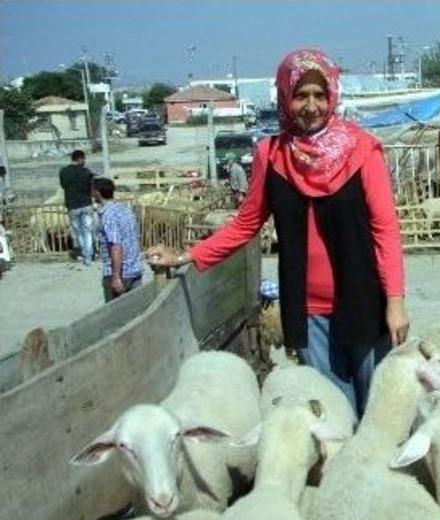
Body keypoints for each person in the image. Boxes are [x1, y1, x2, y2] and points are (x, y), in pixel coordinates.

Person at [146, 48, 409, 418]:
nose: (311, 106)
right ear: (285, 96)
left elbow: (386, 230)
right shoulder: (271, 155)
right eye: (301, 95)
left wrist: (395, 302)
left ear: (332, 95)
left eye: (320, 95)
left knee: (378, 413)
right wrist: (187, 255)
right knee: (331, 416)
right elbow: (246, 224)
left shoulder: (362, 150)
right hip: (308, 310)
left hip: (366, 302)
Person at [92, 177, 143, 302]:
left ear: (97, 192)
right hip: (135, 269)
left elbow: (115, 246)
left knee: (115, 312)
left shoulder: (108, 215)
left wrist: (116, 277)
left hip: (120, 273)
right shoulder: (125, 209)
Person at [59, 150, 96, 265]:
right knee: (88, 232)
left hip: (72, 206)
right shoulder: (86, 172)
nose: (85, 161)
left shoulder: (63, 172)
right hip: (86, 205)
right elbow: (91, 188)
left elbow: (63, 186)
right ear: (80, 159)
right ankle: (89, 256)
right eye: (84, 159)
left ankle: (84, 254)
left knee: (78, 232)